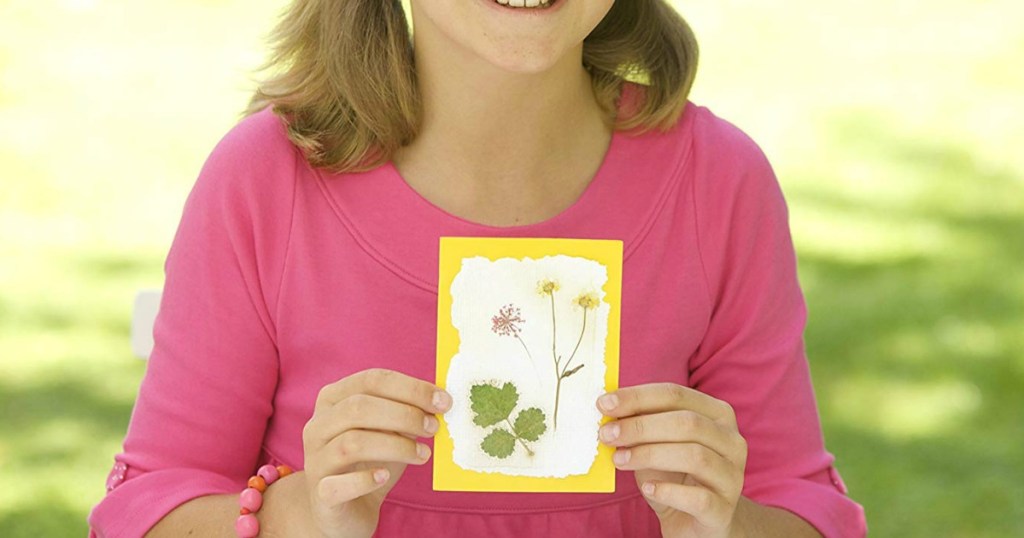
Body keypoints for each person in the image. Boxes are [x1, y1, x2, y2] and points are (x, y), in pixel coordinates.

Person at [89, 0, 867, 536]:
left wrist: (725, 522)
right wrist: (302, 517)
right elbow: (144, 509)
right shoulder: (266, 181)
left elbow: (800, 505)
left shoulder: (717, 183)